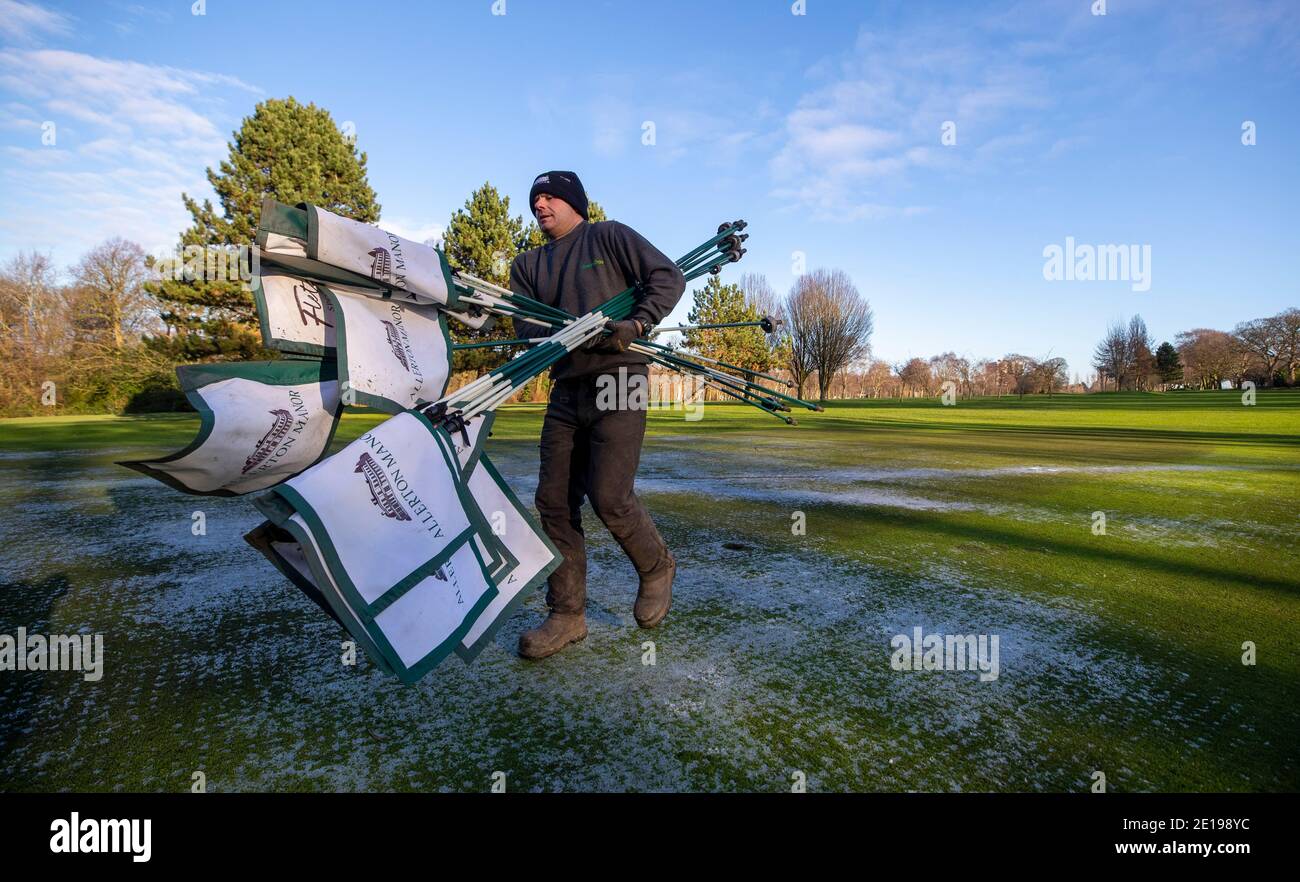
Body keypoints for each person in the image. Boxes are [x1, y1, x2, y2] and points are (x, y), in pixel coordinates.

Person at [509, 170, 685, 659]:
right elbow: (526, 324)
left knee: (610, 496)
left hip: (620, 376)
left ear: (574, 203)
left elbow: (668, 277)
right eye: (535, 199)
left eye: (550, 197)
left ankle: (656, 568)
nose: (540, 204)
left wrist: (636, 324)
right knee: (554, 502)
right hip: (567, 385)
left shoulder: (609, 235)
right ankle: (567, 614)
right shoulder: (526, 265)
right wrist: (548, 337)